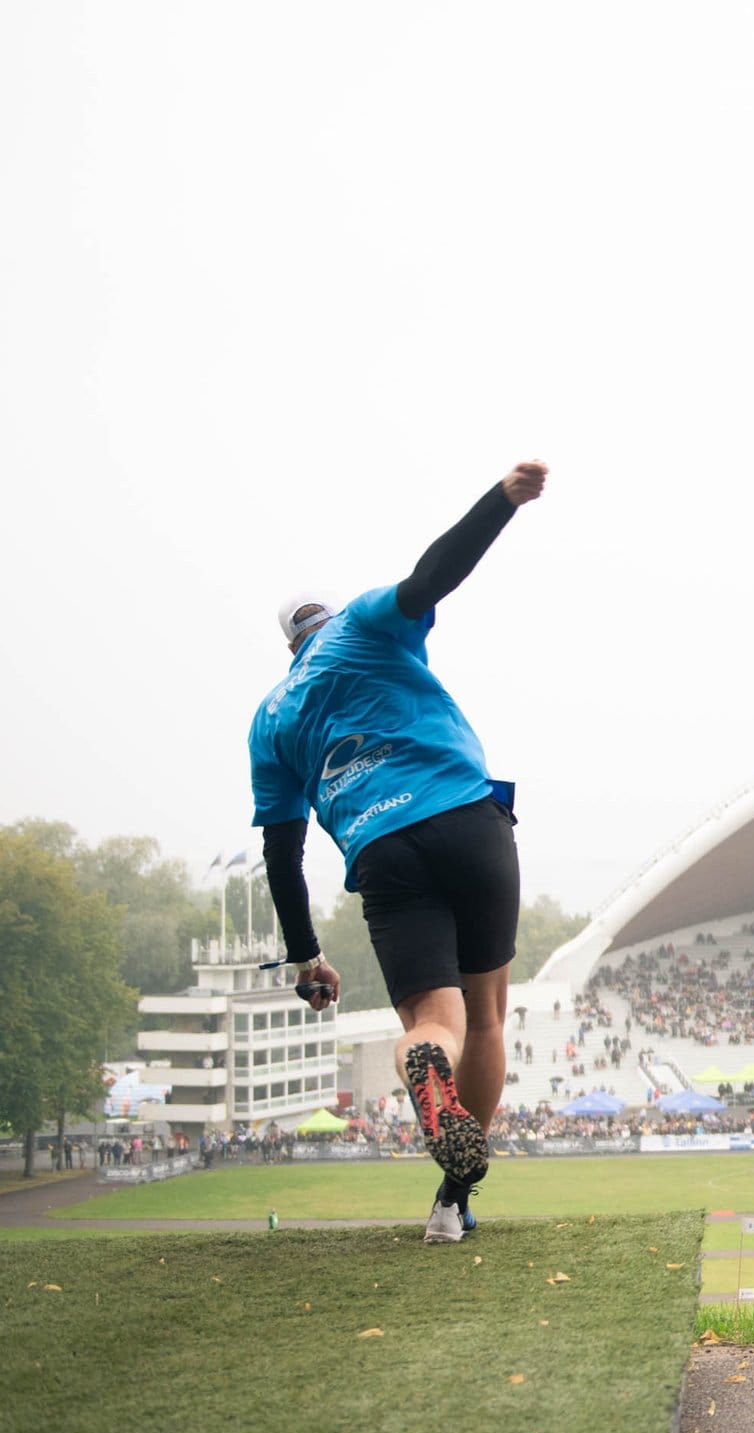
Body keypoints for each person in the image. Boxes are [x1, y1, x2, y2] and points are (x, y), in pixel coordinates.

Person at [248, 459, 549, 1245]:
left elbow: (283, 854)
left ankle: (423, 1062)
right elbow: (430, 578)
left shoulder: (270, 720)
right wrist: (501, 501)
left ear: (288, 645)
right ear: (329, 617)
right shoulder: (363, 624)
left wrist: (307, 956)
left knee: (435, 1023)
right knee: (486, 1018)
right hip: (466, 817)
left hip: (382, 853)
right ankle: (453, 1199)